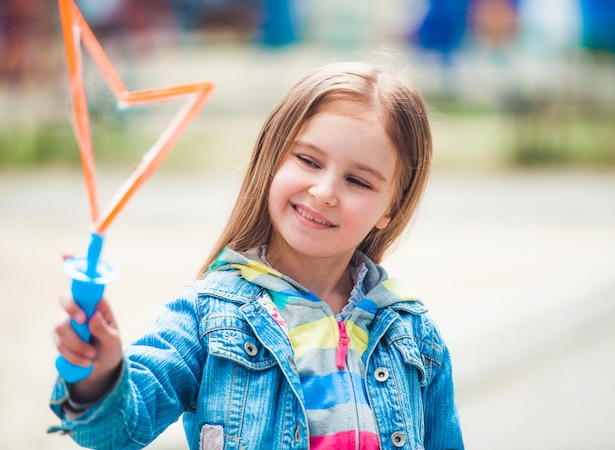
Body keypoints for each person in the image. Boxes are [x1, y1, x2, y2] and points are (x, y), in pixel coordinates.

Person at [50, 61, 464, 449]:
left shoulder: (414, 336)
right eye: (307, 160)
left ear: (390, 208)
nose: (324, 192)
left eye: (357, 180)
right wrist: (100, 375)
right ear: (273, 159)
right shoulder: (208, 315)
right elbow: (120, 428)